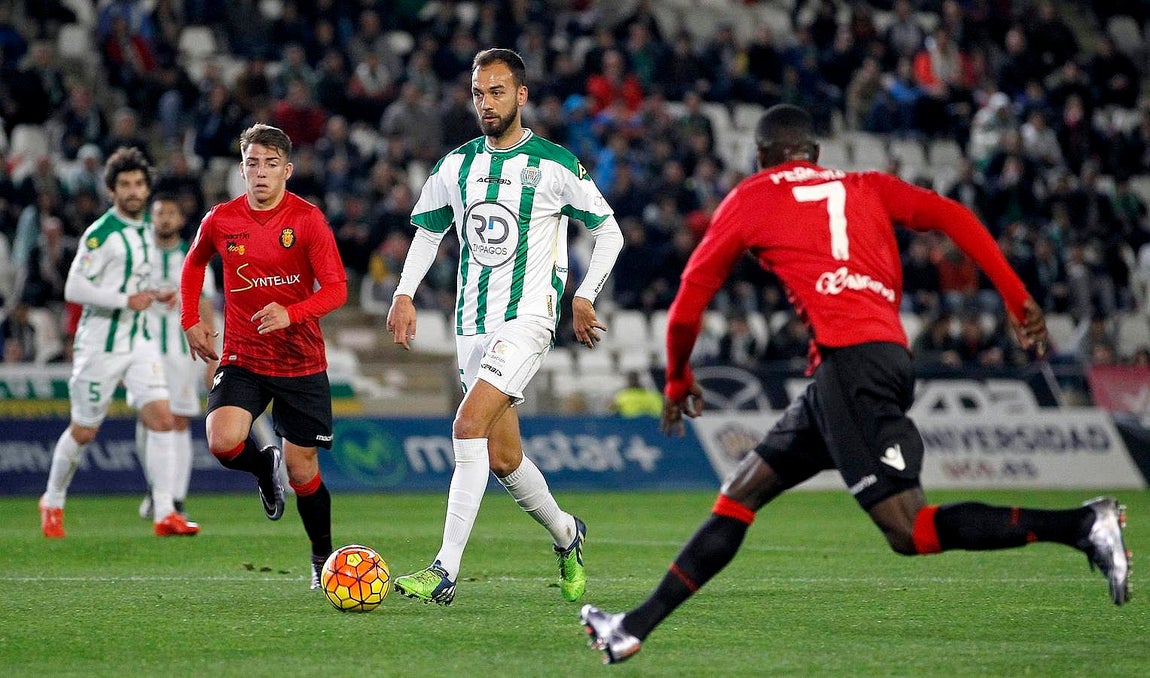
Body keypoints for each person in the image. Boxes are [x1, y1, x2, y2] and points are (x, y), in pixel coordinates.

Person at [580, 104, 1130, 665]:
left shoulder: (752, 196)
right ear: (816, 155)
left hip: (850, 367)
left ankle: (1083, 524)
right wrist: (1016, 297)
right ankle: (631, 627)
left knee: (910, 530)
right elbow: (953, 216)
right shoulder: (868, 185)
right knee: (742, 491)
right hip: (874, 361)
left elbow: (686, 306)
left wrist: (677, 378)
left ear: (762, 158)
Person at [386, 48, 623, 605]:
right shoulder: (456, 166)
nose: (486, 103)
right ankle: (567, 533)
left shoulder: (554, 164)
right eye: (478, 94)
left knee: (467, 426)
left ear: (521, 95)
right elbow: (428, 233)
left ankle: (444, 569)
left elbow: (608, 231)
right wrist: (403, 293)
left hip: (528, 319)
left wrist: (584, 295)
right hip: (471, 324)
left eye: (496, 92)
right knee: (504, 458)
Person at [180, 123, 348, 589]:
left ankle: (321, 558)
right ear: (241, 169)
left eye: (270, 164)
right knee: (222, 441)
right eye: (252, 163)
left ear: (286, 171)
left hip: (300, 361)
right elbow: (193, 264)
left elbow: (336, 289)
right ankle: (261, 467)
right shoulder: (220, 220)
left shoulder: (308, 220)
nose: (260, 172)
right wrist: (190, 319)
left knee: (304, 470)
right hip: (244, 356)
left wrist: (291, 313)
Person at [39, 146, 198, 538]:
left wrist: (155, 293)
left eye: (139, 184)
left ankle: (165, 511)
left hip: (140, 340)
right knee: (84, 431)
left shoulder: (145, 231)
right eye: (125, 184)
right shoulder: (101, 234)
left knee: (162, 419)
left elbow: (133, 282)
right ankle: (52, 500)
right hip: (101, 344)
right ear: (112, 190)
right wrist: (124, 300)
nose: (133, 191)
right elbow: (74, 288)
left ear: (147, 189)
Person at [136, 193, 218, 523]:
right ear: (151, 218)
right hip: (141, 351)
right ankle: (156, 489)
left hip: (182, 352)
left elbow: (206, 307)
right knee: (149, 419)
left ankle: (176, 498)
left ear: (181, 220)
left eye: (172, 213)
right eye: (160, 213)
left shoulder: (194, 256)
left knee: (179, 421)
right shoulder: (138, 254)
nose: (166, 219)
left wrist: (212, 358)